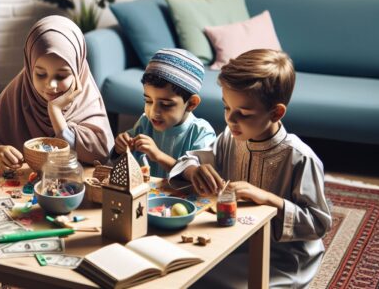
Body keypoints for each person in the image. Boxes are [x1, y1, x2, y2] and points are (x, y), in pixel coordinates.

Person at [168, 49, 332, 288]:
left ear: (276, 112)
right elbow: (188, 161)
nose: (230, 120)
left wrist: (267, 199)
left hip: (283, 258)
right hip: (233, 241)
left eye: (243, 113)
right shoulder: (230, 138)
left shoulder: (300, 158)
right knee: (182, 271)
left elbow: (318, 223)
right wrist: (194, 171)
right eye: (226, 108)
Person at [0, 15, 113, 167]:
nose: (51, 85)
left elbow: (102, 153)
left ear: (78, 71)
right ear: (29, 68)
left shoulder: (87, 102)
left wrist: (55, 113)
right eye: (40, 74)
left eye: (61, 76)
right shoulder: (18, 94)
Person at [111, 48, 216, 178]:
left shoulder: (201, 133)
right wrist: (119, 148)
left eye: (166, 104)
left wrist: (159, 156)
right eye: (148, 101)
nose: (154, 111)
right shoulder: (145, 123)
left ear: (191, 103)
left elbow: (199, 178)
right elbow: (121, 159)